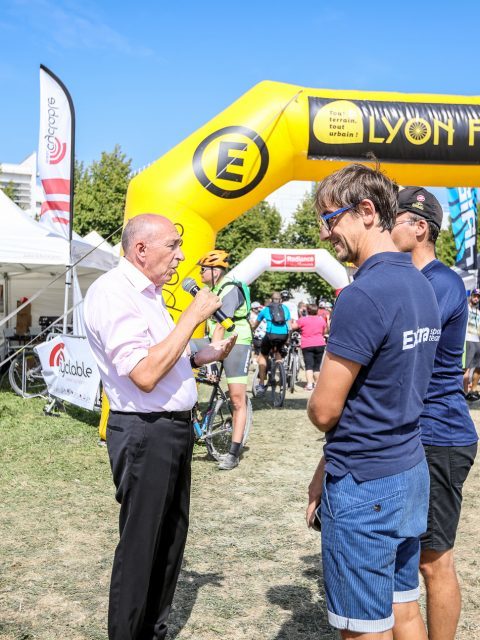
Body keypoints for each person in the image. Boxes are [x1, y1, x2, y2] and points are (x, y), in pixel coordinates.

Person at [83, 215, 236, 640]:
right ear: (141, 249)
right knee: (141, 546)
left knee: (170, 540)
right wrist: (191, 318)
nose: (181, 256)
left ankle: (154, 629)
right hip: (145, 431)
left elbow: (166, 360)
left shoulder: (150, 294)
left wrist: (204, 355)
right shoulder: (112, 293)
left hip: (172, 429)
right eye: (172, 246)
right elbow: (145, 374)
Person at [306, 163, 441, 640]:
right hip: (408, 469)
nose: (326, 234)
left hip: (367, 483)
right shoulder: (422, 284)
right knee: (403, 607)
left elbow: (324, 410)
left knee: (364, 627)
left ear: (366, 211)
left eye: (330, 219)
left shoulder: (363, 294)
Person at [391, 186, 478, 640]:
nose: (386, 230)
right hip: (417, 434)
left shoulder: (440, 283)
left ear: (419, 227)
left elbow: (404, 348)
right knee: (408, 556)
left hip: (440, 436)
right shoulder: (410, 279)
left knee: (434, 560)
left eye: (394, 222)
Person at [197, 249, 252, 471]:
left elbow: (221, 324)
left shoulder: (229, 289)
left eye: (203, 269)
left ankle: (233, 452)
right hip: (215, 340)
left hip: (237, 342)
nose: (200, 272)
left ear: (215, 271)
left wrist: (209, 361)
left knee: (237, 399)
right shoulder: (212, 289)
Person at [251, 291, 291, 395]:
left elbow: (256, 323)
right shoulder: (285, 308)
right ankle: (280, 372)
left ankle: (261, 384)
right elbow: (289, 325)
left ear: (270, 300)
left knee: (263, 356)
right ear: (280, 300)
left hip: (270, 335)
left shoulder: (266, 309)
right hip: (283, 336)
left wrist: (252, 330)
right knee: (277, 351)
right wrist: (287, 338)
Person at [291, 303, 327, 390]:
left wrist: (291, 321)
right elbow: (325, 331)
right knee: (317, 366)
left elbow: (292, 327)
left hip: (307, 345)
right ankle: (317, 385)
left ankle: (309, 385)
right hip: (320, 344)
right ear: (317, 311)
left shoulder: (303, 320)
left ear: (307, 310)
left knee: (309, 366)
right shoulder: (321, 320)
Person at [463, 288, 480, 401]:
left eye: (478, 297)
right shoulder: (466, 308)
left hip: (477, 341)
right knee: (466, 368)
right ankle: (464, 392)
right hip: (467, 340)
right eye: (475, 295)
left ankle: (473, 391)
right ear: (471, 296)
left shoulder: (478, 312)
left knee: (478, 368)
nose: (476, 298)